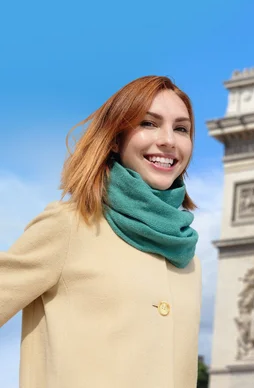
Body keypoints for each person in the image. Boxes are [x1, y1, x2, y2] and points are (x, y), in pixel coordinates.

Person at [0, 76, 203, 388]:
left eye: (181, 128)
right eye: (149, 123)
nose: (169, 140)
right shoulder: (68, 226)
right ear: (115, 138)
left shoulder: (188, 260)